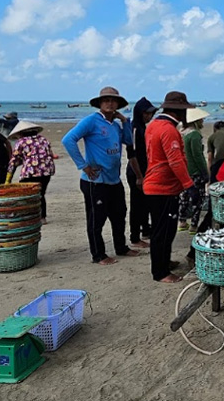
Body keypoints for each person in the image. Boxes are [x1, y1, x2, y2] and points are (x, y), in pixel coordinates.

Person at [61, 86, 143, 266]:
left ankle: (121, 247)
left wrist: (125, 121)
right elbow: (68, 140)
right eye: (106, 100)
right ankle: (98, 255)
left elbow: (129, 142)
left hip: (114, 179)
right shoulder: (91, 121)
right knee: (96, 219)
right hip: (95, 181)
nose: (110, 103)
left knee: (119, 214)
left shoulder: (115, 124)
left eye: (113, 100)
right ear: (100, 103)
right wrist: (83, 165)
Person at [143, 91, 196, 284]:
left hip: (155, 185)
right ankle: (161, 272)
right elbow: (175, 162)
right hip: (162, 188)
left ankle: (163, 262)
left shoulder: (153, 125)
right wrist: (189, 185)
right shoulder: (168, 129)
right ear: (179, 112)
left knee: (161, 229)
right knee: (164, 231)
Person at [7, 121, 56, 223]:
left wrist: (8, 178)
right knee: (40, 194)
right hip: (46, 171)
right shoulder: (43, 139)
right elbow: (49, 154)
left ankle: (27, 216)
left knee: (25, 194)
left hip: (31, 172)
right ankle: (42, 217)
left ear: (20, 133)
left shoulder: (21, 142)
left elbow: (14, 161)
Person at [126, 97, 158, 248]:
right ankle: (134, 237)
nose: (149, 117)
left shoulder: (144, 128)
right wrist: (139, 176)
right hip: (136, 172)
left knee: (146, 203)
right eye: (147, 113)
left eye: (151, 114)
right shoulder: (134, 129)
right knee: (137, 205)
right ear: (140, 113)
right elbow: (131, 154)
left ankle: (146, 230)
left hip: (145, 171)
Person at [178, 107, 210, 233]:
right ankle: (194, 225)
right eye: (201, 119)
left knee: (184, 197)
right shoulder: (195, 135)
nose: (203, 121)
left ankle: (182, 221)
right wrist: (205, 172)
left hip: (185, 170)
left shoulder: (182, 132)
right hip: (195, 172)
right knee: (198, 199)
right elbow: (198, 156)